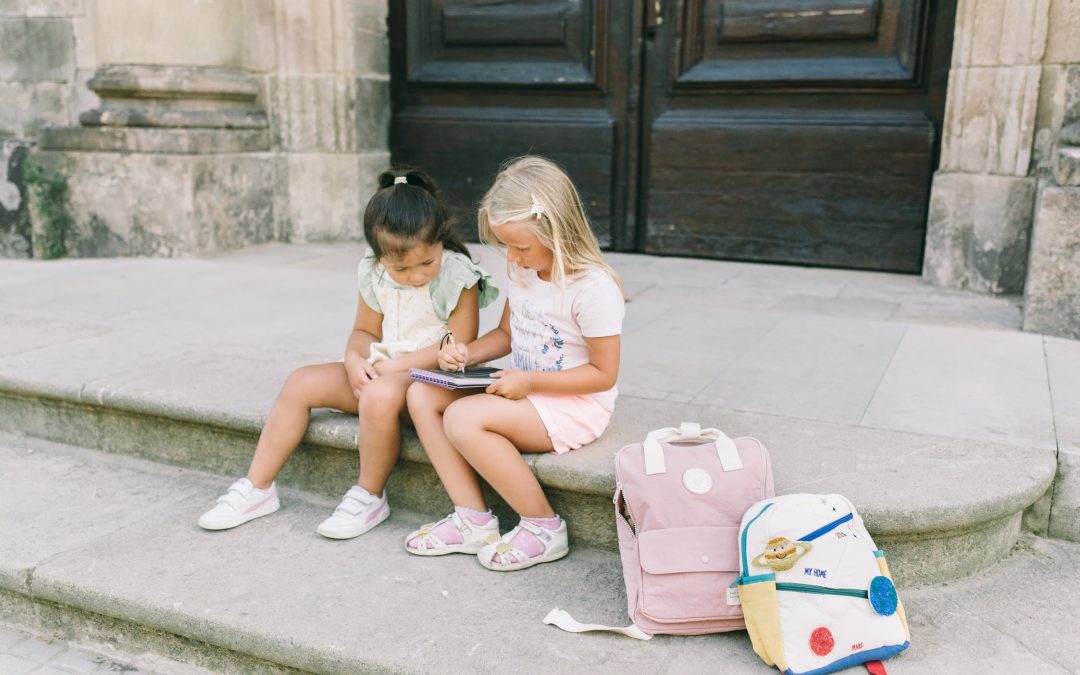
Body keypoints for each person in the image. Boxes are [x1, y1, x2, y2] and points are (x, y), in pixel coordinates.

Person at [198, 169, 498, 538]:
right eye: (401, 268)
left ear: (441, 240)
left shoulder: (458, 275)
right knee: (301, 382)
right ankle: (257, 488)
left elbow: (456, 347)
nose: (417, 276)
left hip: (434, 383)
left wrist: (394, 367)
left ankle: (368, 495)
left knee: (377, 392)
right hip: (384, 373)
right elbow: (364, 332)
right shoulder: (373, 272)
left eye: (426, 263)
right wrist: (355, 361)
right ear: (379, 255)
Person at [404, 156, 624, 571]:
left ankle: (543, 526)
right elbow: (507, 335)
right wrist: (466, 353)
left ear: (557, 232)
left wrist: (530, 382)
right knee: (421, 393)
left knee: (463, 419)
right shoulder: (523, 271)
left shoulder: (592, 288)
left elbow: (603, 374)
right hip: (523, 387)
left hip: (572, 404)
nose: (514, 257)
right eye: (507, 246)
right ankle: (472, 518)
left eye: (522, 246)